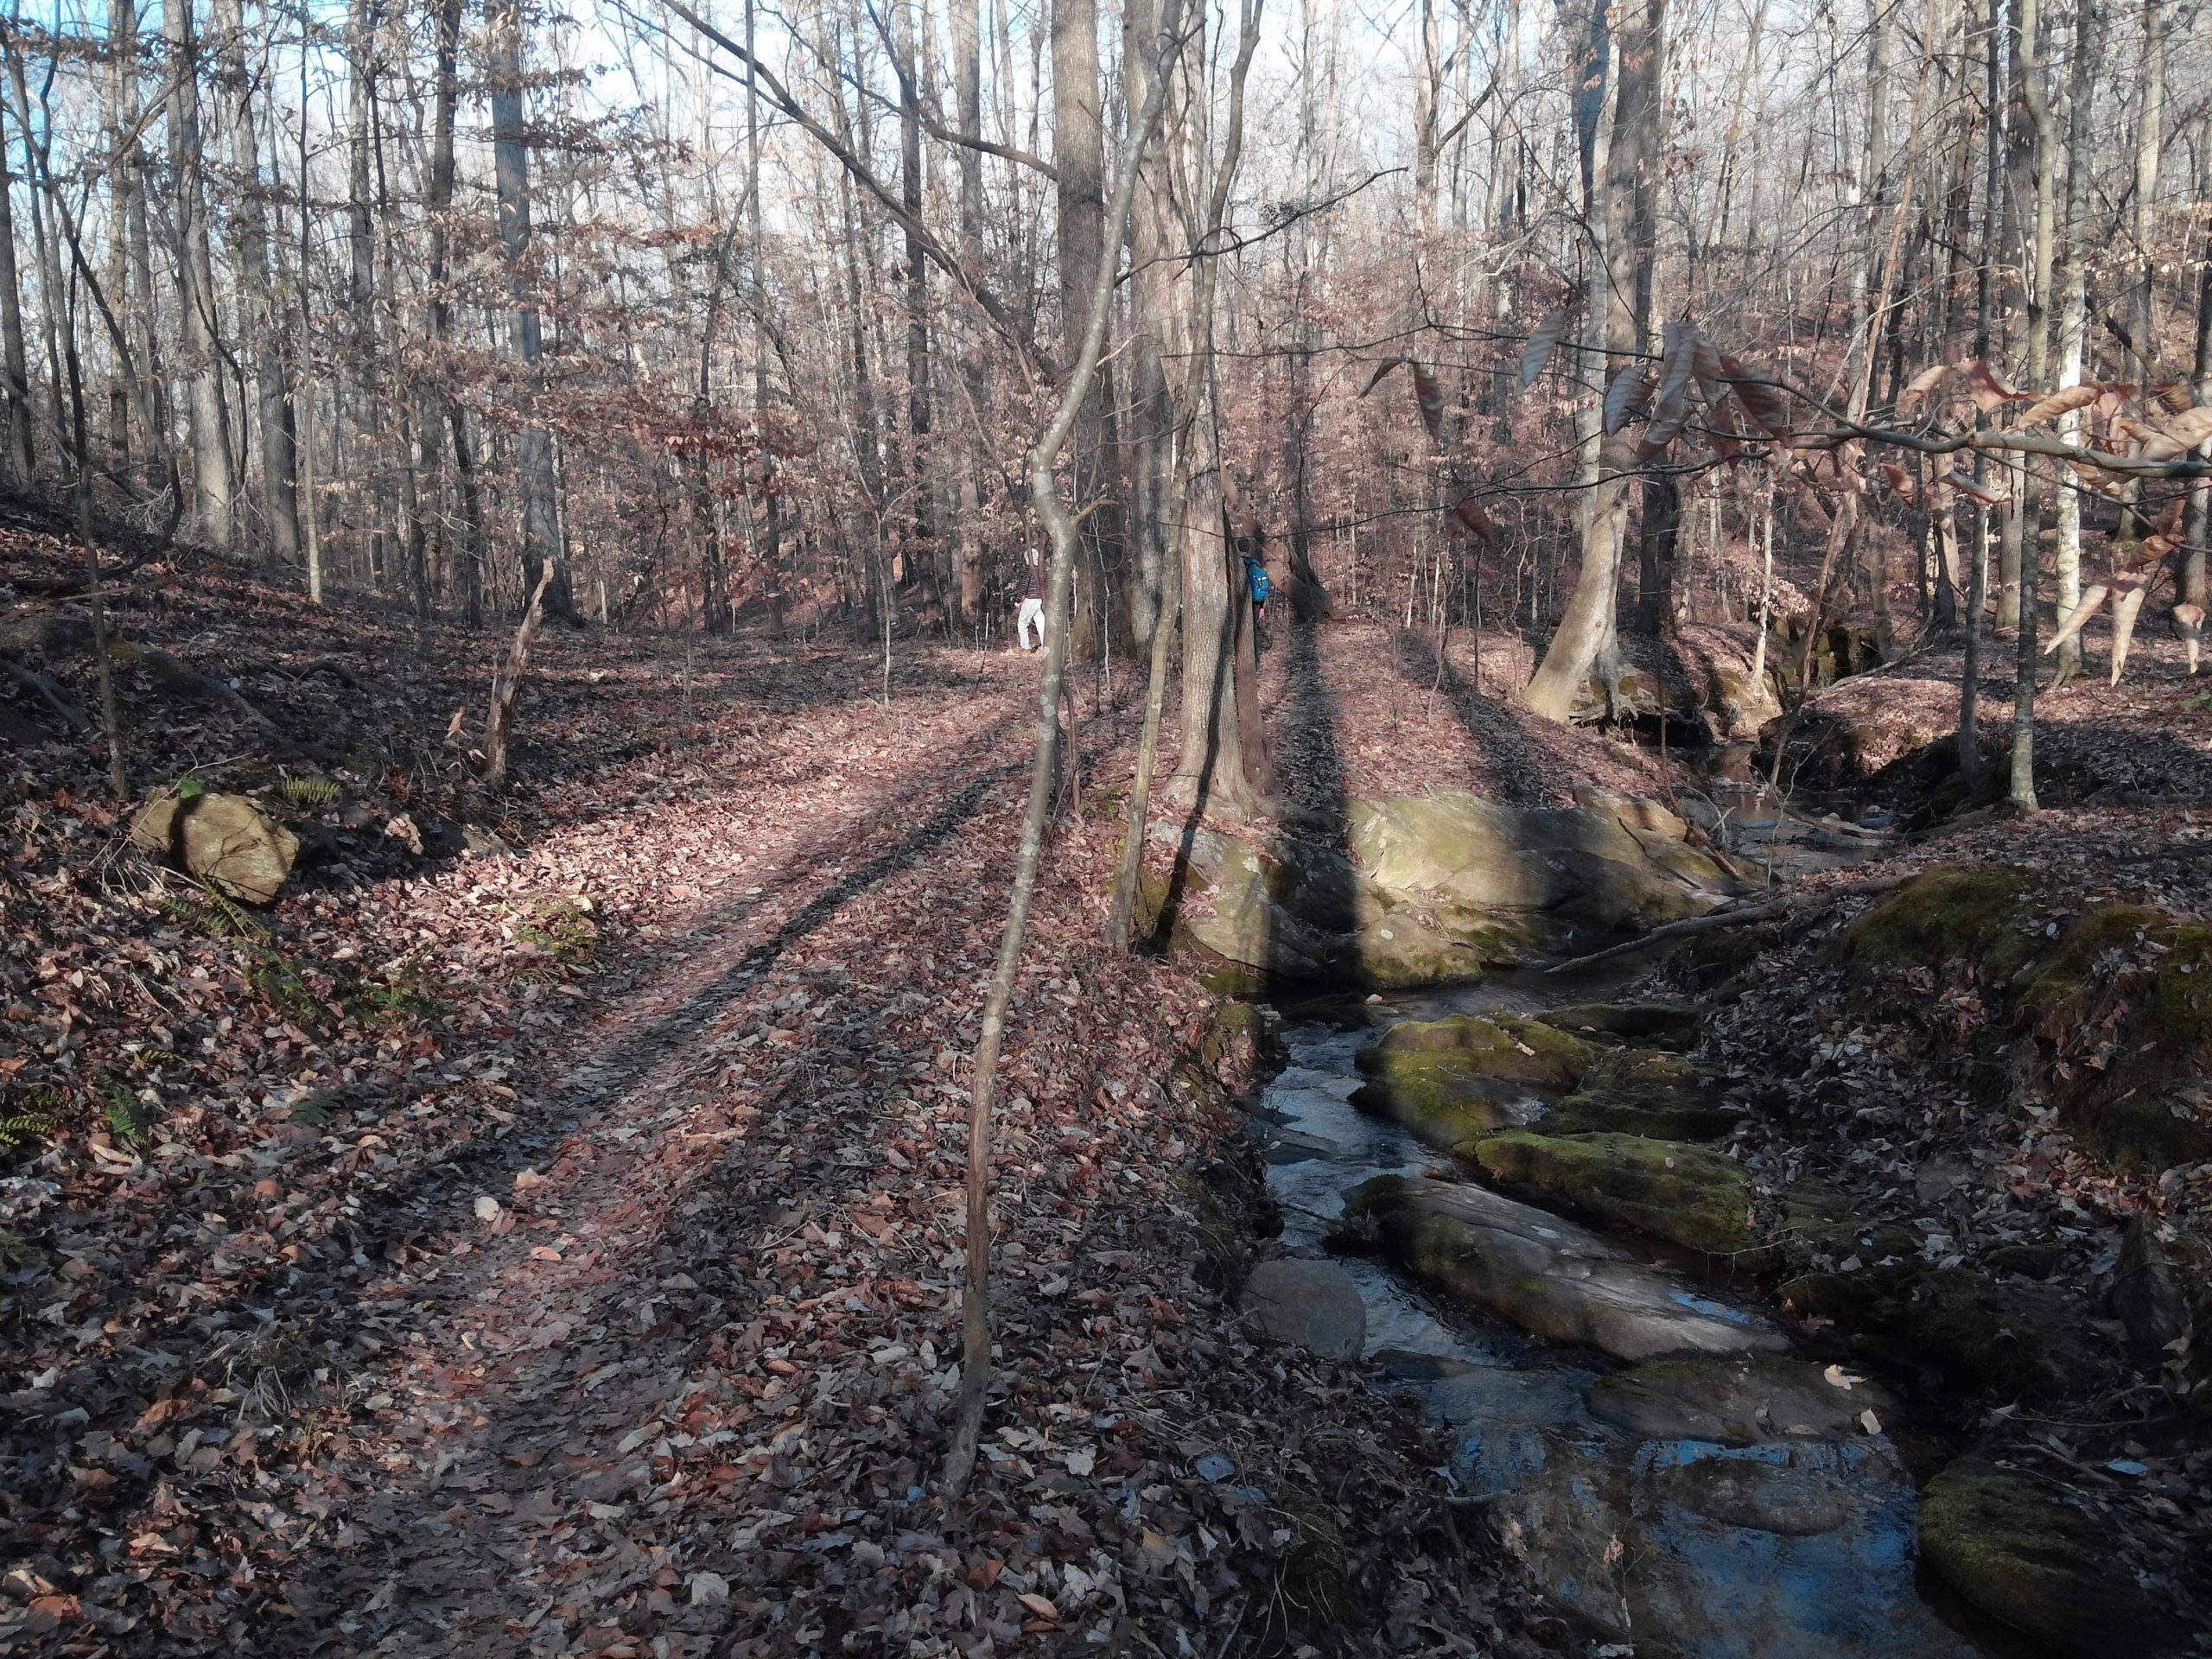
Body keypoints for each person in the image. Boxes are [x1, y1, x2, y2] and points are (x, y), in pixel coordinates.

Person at [1015, 548, 1046, 652]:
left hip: (1031, 600)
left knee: (1022, 623)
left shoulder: (1029, 571)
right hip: (1041, 601)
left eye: (1027, 559)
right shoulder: (1044, 570)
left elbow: (1024, 587)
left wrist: (1018, 601)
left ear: (1031, 559)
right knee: (1041, 624)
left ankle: (1025, 647)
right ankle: (1045, 645)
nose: (1026, 562)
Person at [1242, 547, 1271, 652]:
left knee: (1251, 623)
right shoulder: (1257, 566)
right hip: (1260, 598)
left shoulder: (1244, 565)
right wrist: (1263, 606)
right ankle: (1256, 644)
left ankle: (1253, 647)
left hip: (1251, 598)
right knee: (1255, 621)